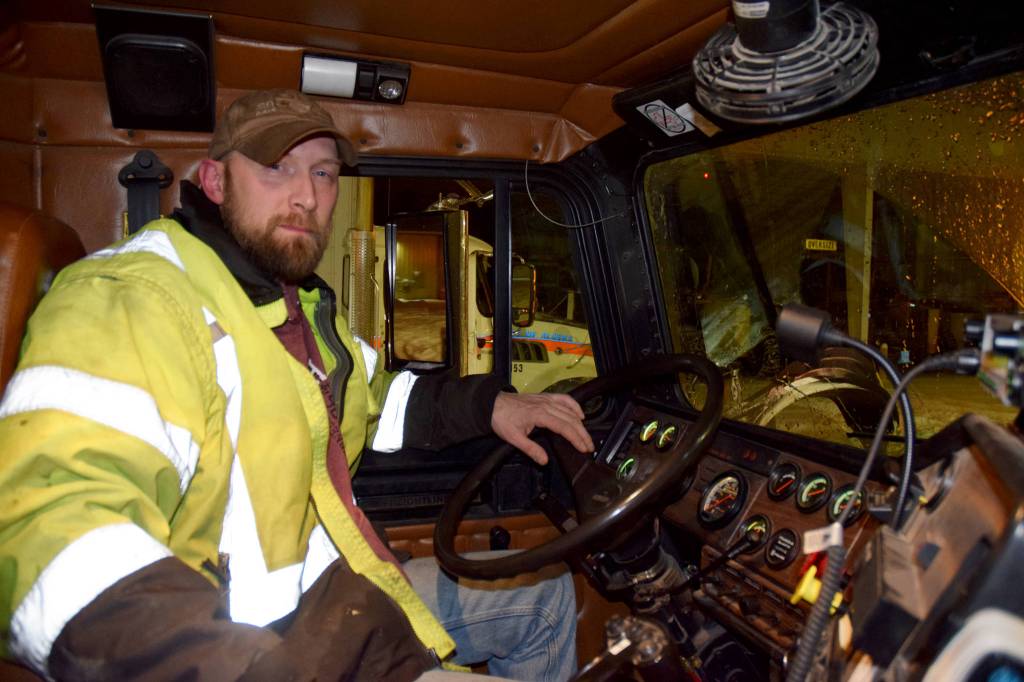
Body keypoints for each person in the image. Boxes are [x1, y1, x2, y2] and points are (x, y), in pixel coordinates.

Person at [0, 89, 595, 681]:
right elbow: (46, 527)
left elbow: (374, 401)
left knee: (548, 599)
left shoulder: (302, 303)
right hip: (262, 648)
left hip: (341, 598)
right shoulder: (137, 295)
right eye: (275, 168)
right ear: (213, 180)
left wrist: (493, 406)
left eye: (323, 173)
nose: (306, 195)